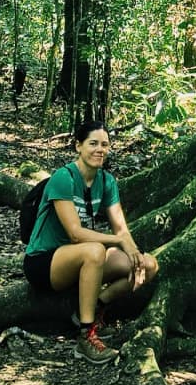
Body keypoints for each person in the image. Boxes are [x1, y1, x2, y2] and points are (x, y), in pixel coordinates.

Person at [22, 120, 158, 363]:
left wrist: (134, 252)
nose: (100, 150)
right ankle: (86, 336)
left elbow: (122, 229)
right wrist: (117, 240)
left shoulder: (106, 182)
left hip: (81, 257)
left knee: (148, 264)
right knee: (95, 251)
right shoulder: (63, 178)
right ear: (78, 146)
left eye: (105, 145)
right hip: (44, 261)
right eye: (93, 143)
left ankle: (94, 307)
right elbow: (75, 233)